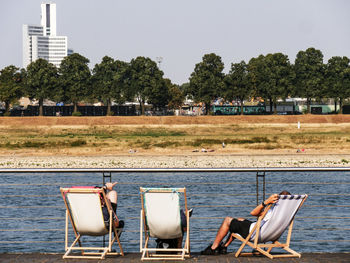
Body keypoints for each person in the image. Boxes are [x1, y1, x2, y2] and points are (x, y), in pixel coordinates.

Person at [201, 190, 291, 255]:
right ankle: (224, 246)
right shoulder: (288, 213)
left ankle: (213, 248)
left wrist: (266, 202)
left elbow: (253, 213)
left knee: (228, 220)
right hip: (271, 235)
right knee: (239, 220)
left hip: (254, 234)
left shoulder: (271, 211)